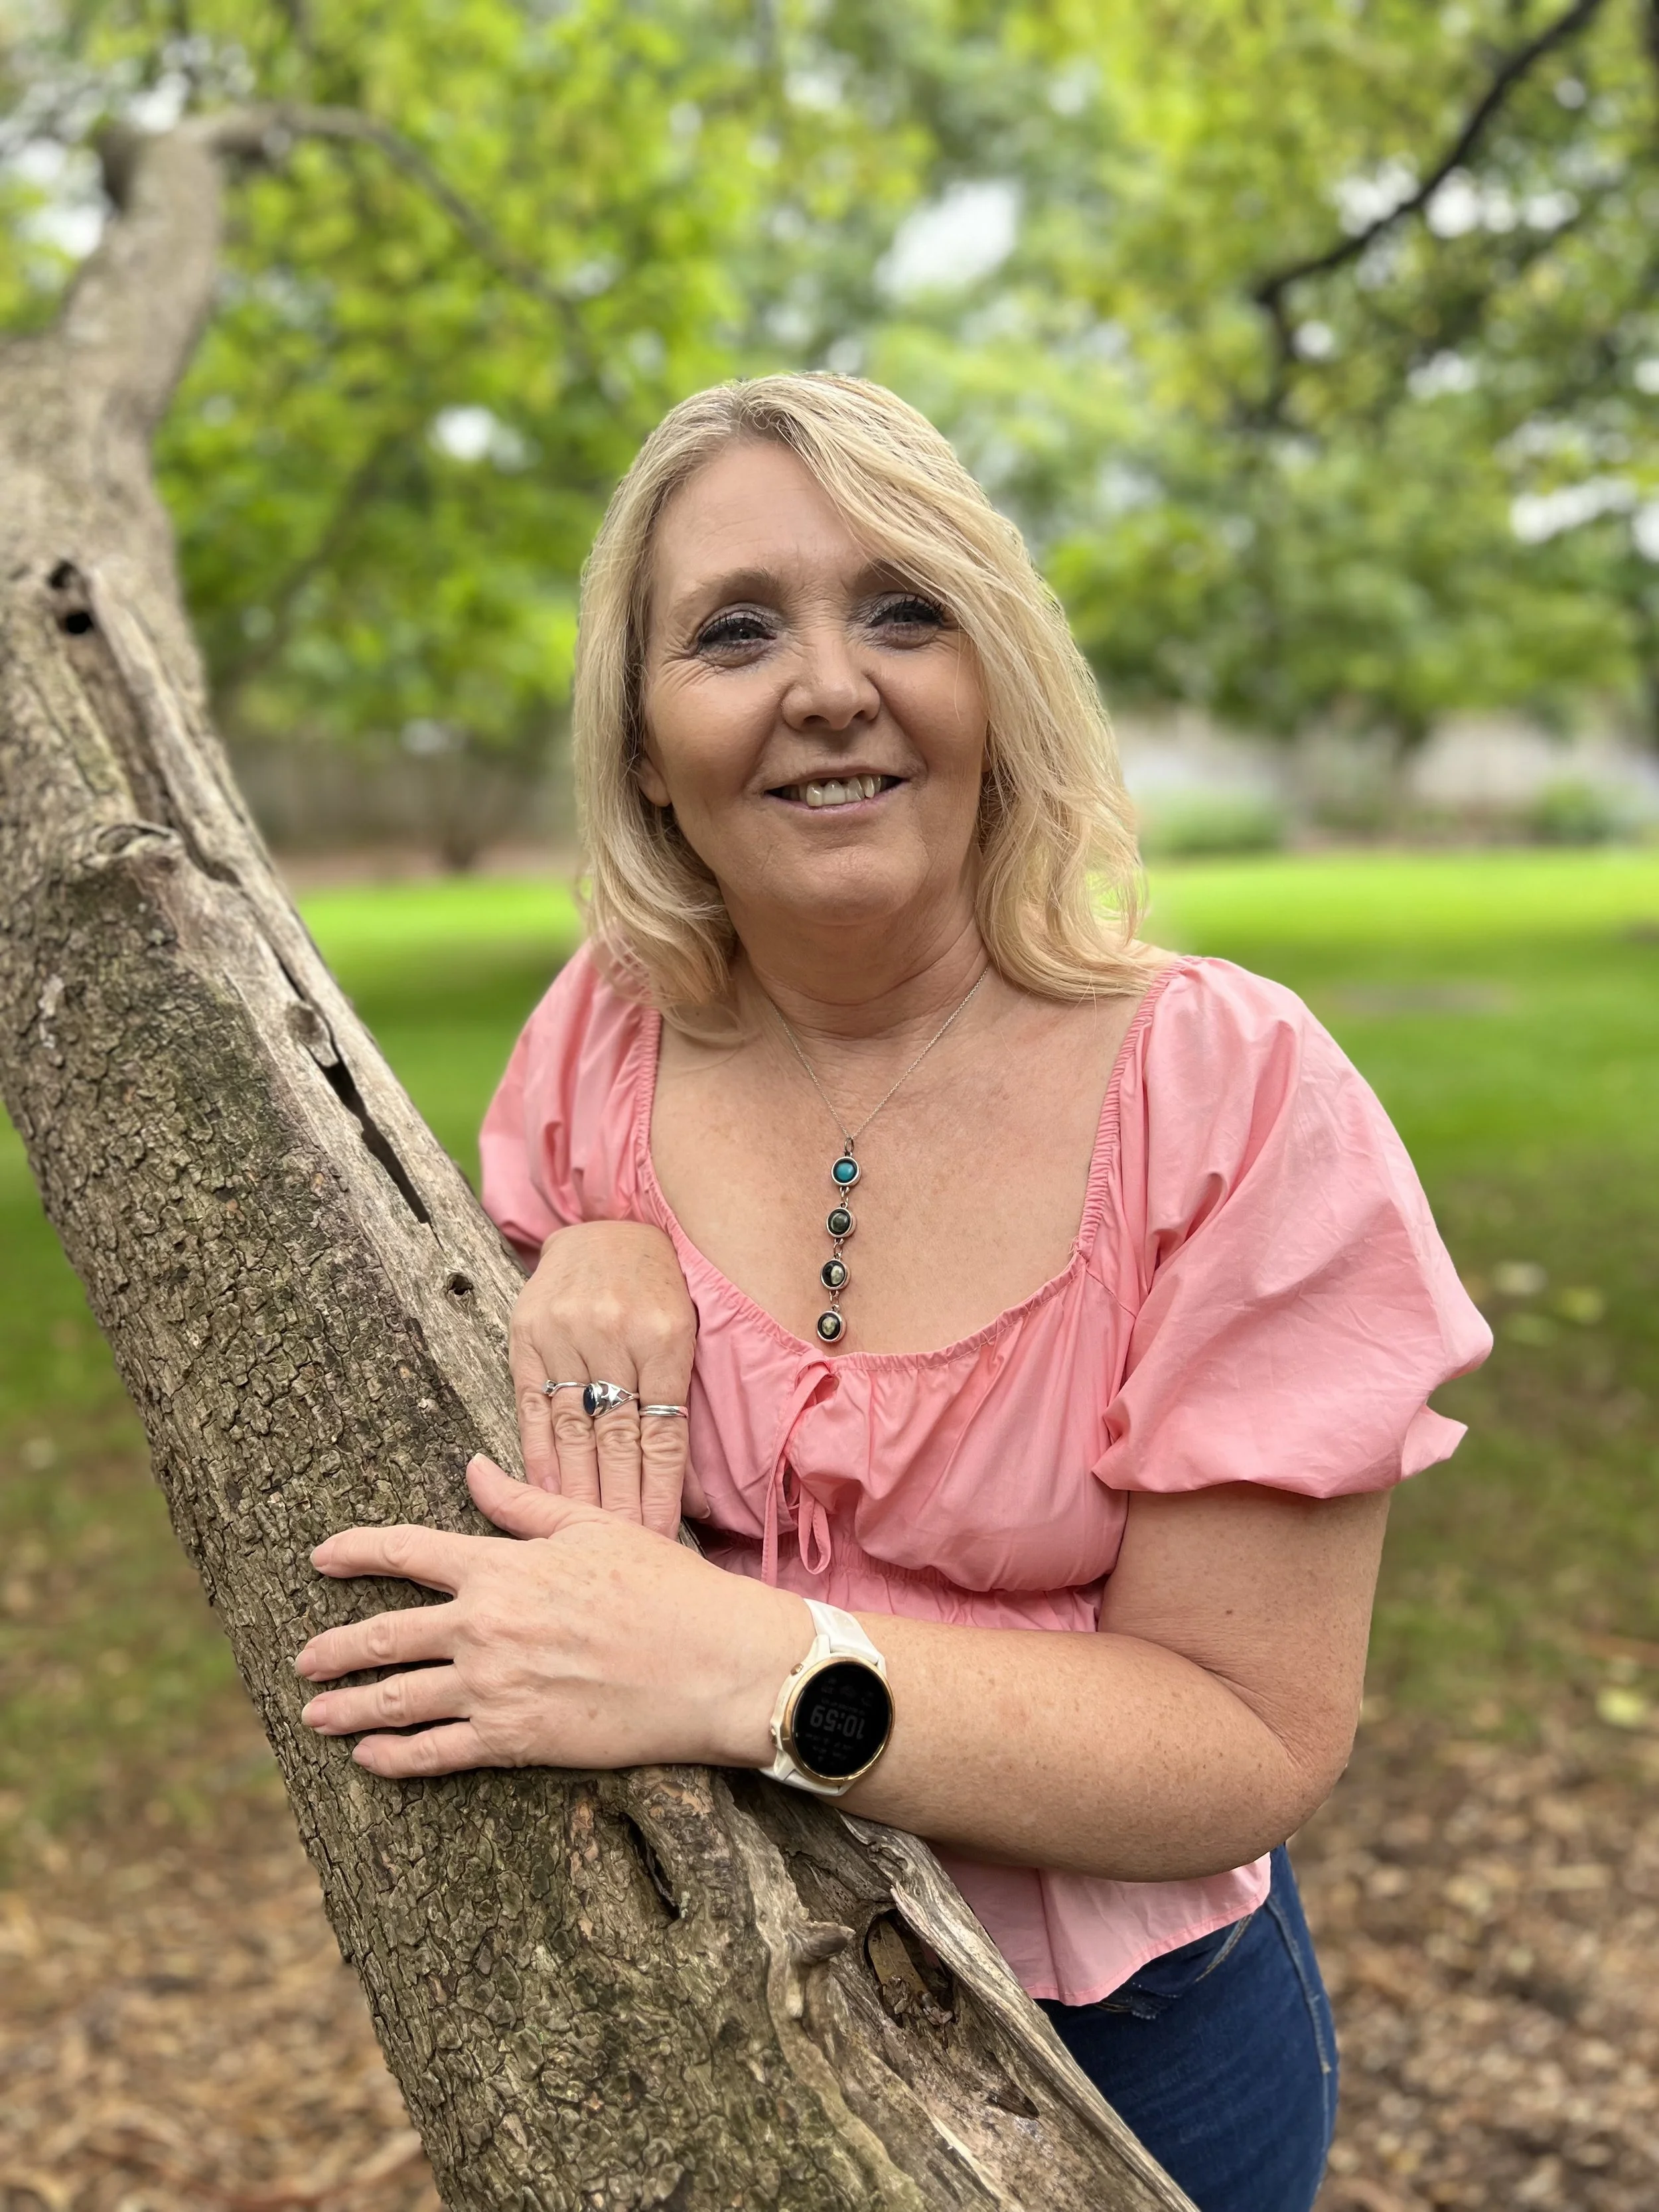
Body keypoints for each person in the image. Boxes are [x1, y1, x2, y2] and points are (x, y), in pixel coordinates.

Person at [293, 374, 1492, 2211]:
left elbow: (1246, 1738)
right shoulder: (601, 1043)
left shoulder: (1233, 1094)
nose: (829, 684)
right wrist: (594, 1241)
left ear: (997, 681)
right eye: (734, 629)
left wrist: (748, 1665)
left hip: (1125, 2055)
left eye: (904, 609)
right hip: (705, 1997)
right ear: (642, 743)